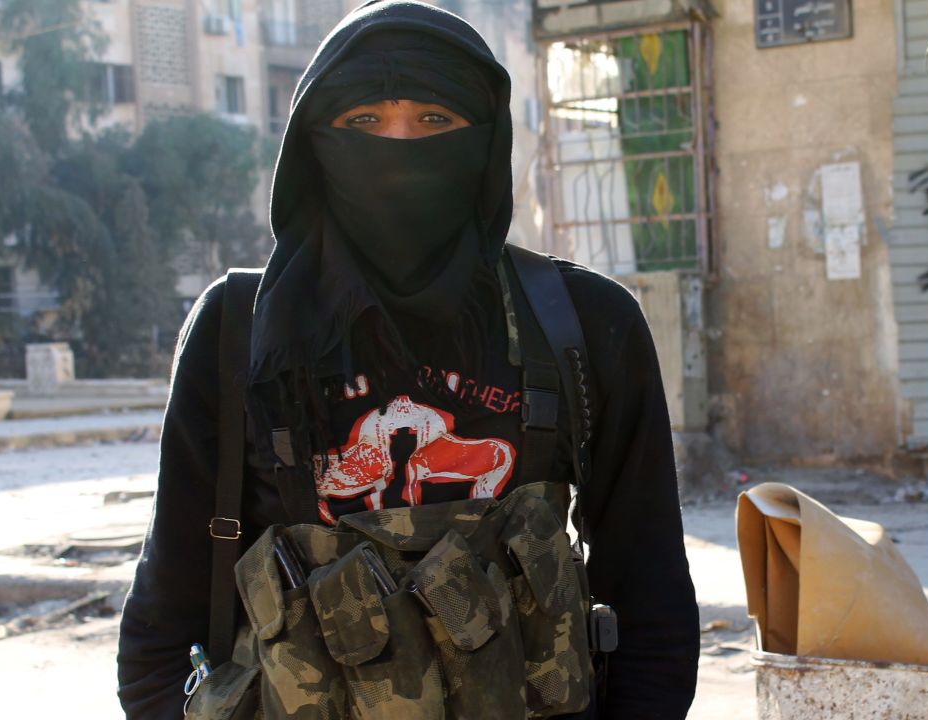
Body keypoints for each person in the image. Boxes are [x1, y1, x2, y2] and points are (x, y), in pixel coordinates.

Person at [115, 1, 700, 718]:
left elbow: (651, 604)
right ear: (312, 144)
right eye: (363, 121)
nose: (398, 148)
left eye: (434, 121)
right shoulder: (239, 331)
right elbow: (161, 623)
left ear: (484, 143)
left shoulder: (584, 324)